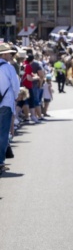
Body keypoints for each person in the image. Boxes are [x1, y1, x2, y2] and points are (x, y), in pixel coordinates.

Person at [0, 43, 20, 172]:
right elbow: (15, 85)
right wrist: (16, 97)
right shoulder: (8, 67)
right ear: (4, 54)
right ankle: (0, 162)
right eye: (8, 53)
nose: (10, 55)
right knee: (2, 133)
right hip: (5, 103)